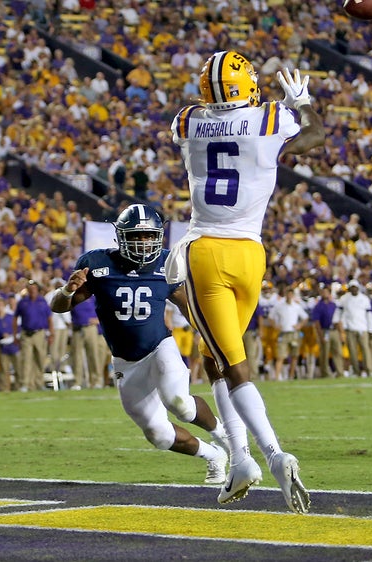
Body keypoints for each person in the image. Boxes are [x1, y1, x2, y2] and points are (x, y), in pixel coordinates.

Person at [165, 52, 324, 513]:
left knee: (233, 365)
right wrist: (304, 101)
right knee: (215, 357)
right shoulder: (273, 118)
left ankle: (273, 455)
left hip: (207, 251)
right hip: (251, 255)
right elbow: (314, 136)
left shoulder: (189, 120)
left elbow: (204, 120)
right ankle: (239, 460)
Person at [51, 204, 230, 485]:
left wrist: (213, 336)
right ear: (122, 237)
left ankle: (225, 435)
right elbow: (60, 306)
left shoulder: (167, 263)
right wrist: (67, 290)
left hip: (160, 347)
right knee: (158, 435)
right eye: (137, 235)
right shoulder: (98, 263)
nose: (144, 242)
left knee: (179, 402)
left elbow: (189, 309)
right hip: (125, 361)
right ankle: (214, 455)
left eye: (149, 236)